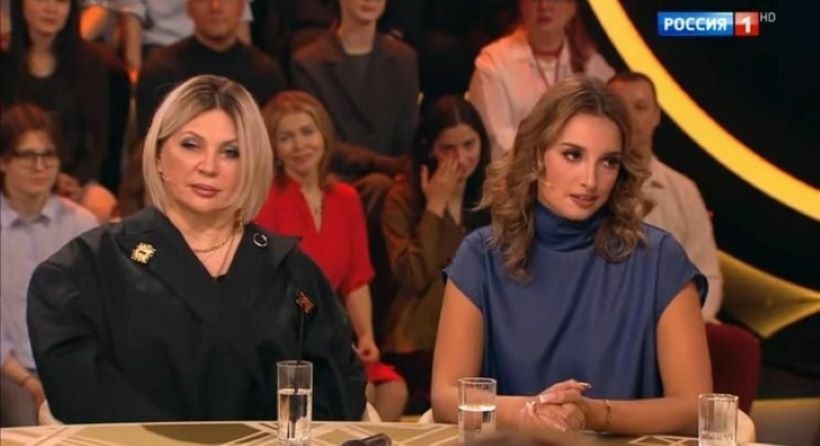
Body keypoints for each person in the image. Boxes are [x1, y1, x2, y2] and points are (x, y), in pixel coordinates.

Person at [27, 75, 367, 423]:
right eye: (191, 145)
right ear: (159, 155)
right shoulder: (90, 267)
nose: (209, 167)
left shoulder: (292, 273)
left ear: (252, 165)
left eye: (231, 152)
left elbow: (340, 387)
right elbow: (78, 391)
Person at [431, 76, 711, 435]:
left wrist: (592, 415)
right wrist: (533, 412)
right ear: (537, 155)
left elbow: (694, 407)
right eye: (573, 155)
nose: (590, 180)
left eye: (608, 161)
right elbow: (445, 397)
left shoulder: (659, 260)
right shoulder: (480, 257)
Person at [255, 90, 408, 421]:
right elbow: (268, 288)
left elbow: (356, 280)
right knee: (362, 393)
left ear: (323, 136)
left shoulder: (346, 198)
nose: (300, 145)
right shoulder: (266, 200)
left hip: (336, 335)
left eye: (307, 132)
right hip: (291, 338)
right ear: (274, 148)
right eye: (286, 137)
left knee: (394, 391)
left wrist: (365, 336)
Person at [381, 95, 490, 413]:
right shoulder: (400, 199)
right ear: (429, 149)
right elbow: (412, 275)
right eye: (448, 149)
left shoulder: (493, 197)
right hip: (418, 339)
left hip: (481, 333)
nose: (461, 158)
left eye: (469, 145)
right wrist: (435, 207)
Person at [0, 103, 98, 426]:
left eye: (49, 155)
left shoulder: (82, 225)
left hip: (73, 367)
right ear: (4, 161)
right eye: (28, 156)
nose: (40, 166)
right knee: (22, 411)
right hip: (11, 372)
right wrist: (29, 382)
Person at [607, 71, 723, 323]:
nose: (629, 118)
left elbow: (707, 275)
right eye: (618, 108)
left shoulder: (683, 191)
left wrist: (681, 327)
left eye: (640, 107)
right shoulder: (584, 185)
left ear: (656, 115)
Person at [0, 0, 130, 221]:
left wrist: (70, 178)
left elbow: (100, 143)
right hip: (10, 180)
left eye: (61, 1)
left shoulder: (99, 66)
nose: (51, 8)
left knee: (101, 204)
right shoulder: (4, 64)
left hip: (75, 184)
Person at [469, 0, 614, 159]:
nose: (544, 6)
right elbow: (498, 141)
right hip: (521, 171)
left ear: (572, 7)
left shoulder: (592, 64)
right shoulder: (494, 62)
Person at [135, 0, 286, 137]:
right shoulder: (161, 70)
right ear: (189, 8)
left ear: (241, 7)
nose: (215, 7)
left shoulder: (266, 71)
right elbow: (149, 145)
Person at [116, 0, 254, 82]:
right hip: (160, 50)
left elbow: (240, 15)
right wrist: (134, 75)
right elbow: (132, 16)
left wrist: (247, 65)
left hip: (214, 47)